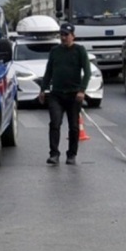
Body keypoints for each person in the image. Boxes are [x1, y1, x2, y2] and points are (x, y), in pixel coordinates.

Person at [39, 23, 91, 166]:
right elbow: (48, 71)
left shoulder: (79, 50)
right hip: (56, 94)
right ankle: (54, 154)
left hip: (74, 95)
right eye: (61, 35)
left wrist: (82, 90)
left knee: (74, 126)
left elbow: (87, 72)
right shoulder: (55, 51)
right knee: (55, 123)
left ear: (73, 36)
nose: (63, 37)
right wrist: (43, 89)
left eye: (66, 35)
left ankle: (71, 154)